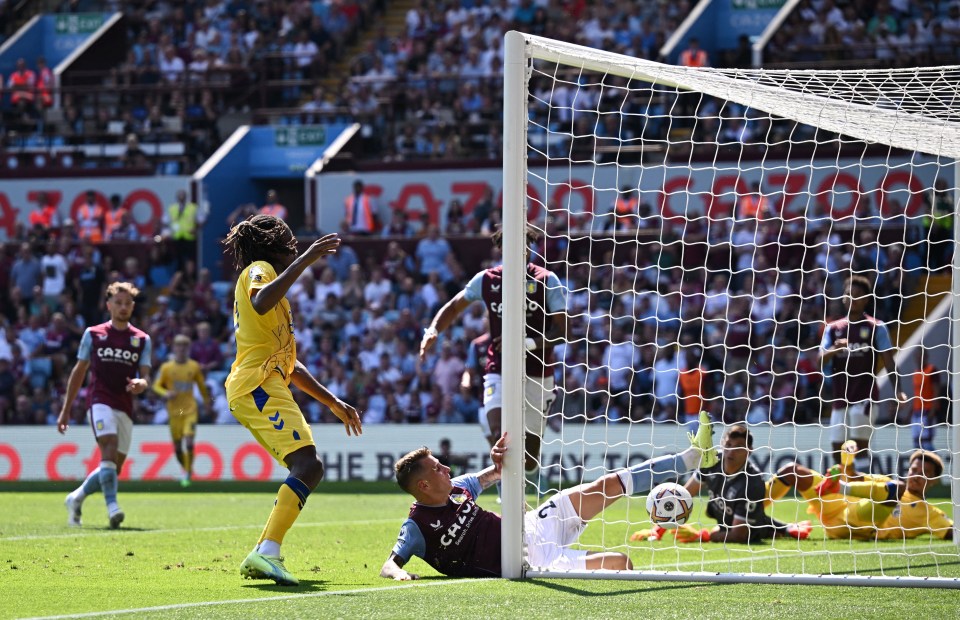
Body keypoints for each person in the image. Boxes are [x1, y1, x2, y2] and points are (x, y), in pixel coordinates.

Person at [381, 412, 717, 579]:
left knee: (606, 485)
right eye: (438, 469)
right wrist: (400, 575)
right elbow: (389, 565)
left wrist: (501, 461)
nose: (447, 470)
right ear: (423, 486)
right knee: (621, 564)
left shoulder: (461, 487)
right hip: (529, 560)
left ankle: (690, 458)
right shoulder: (417, 527)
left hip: (535, 524)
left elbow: (498, 473)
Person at [222, 213, 363, 586]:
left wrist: (333, 401)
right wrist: (307, 260)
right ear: (272, 243)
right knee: (307, 465)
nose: (295, 241)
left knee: (308, 466)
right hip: (256, 385)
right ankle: (266, 550)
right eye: (287, 235)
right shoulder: (260, 269)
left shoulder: (274, 285)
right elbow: (261, 302)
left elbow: (291, 364)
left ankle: (265, 550)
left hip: (267, 383)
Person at [420, 223, 566, 487]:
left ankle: (521, 482)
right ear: (502, 250)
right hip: (498, 368)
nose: (520, 250)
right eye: (512, 245)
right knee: (500, 432)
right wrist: (433, 330)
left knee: (530, 458)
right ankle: (508, 495)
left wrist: (525, 344)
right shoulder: (487, 280)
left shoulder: (546, 280)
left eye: (524, 245)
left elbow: (563, 330)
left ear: (530, 248)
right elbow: (454, 307)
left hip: (537, 371)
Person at [57, 282, 152, 529]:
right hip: (99, 400)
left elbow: (144, 376)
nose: (123, 307)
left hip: (125, 405)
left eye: (127, 303)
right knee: (107, 447)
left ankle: (76, 498)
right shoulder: (93, 334)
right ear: (108, 305)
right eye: (118, 303)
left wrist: (140, 384)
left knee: (112, 467)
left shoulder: (142, 339)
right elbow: (79, 371)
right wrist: (66, 409)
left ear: (132, 306)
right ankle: (113, 508)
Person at [633, 425, 811, 543]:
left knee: (764, 527)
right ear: (722, 444)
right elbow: (682, 495)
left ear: (749, 451)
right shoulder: (711, 462)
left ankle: (787, 529)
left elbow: (740, 535)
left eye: (739, 446)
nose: (731, 450)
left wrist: (703, 536)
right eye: (728, 444)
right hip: (725, 522)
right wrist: (658, 529)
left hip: (751, 529)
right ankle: (788, 528)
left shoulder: (752, 482)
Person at [767, 445, 953, 541]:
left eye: (924, 473)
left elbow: (952, 533)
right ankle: (749, 513)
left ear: (934, 481)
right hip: (838, 503)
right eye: (914, 470)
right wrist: (848, 455)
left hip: (857, 523)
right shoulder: (884, 480)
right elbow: (852, 475)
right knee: (791, 470)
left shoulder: (929, 513)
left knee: (896, 489)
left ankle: (839, 487)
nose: (916, 476)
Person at [820, 274, 907, 465]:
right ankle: (842, 489)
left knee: (859, 447)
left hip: (865, 396)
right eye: (848, 294)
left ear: (866, 299)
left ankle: (861, 490)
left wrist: (898, 390)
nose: (852, 298)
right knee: (837, 447)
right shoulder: (833, 329)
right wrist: (835, 349)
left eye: (857, 295)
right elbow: (820, 361)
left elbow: (889, 362)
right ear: (843, 297)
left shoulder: (876, 327)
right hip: (840, 397)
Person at [153, 334, 210, 486]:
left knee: (189, 441)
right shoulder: (167, 368)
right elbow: (156, 386)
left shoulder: (194, 366)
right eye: (178, 346)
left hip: (190, 410)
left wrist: (206, 402)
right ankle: (185, 468)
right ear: (174, 348)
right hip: (174, 412)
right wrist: (166, 393)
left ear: (188, 349)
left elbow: (202, 386)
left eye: (184, 346)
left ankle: (188, 471)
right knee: (178, 448)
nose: (181, 349)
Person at [163, 189, 204, 268]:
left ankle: (190, 276)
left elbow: (201, 220)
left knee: (190, 259)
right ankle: (180, 274)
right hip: (176, 237)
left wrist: (196, 229)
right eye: (180, 195)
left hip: (189, 236)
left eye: (183, 195)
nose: (181, 197)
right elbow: (165, 221)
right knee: (178, 259)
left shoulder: (193, 207)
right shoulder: (172, 208)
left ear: (186, 197)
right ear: (177, 197)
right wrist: (167, 232)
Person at [910, 348, 942, 451]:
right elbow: (916, 394)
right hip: (916, 413)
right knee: (916, 443)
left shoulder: (932, 370)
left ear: (926, 357)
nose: (919, 358)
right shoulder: (915, 373)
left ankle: (934, 464)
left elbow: (937, 391)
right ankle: (921, 466)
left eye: (921, 356)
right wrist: (909, 413)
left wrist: (932, 411)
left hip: (927, 411)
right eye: (917, 356)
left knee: (926, 443)